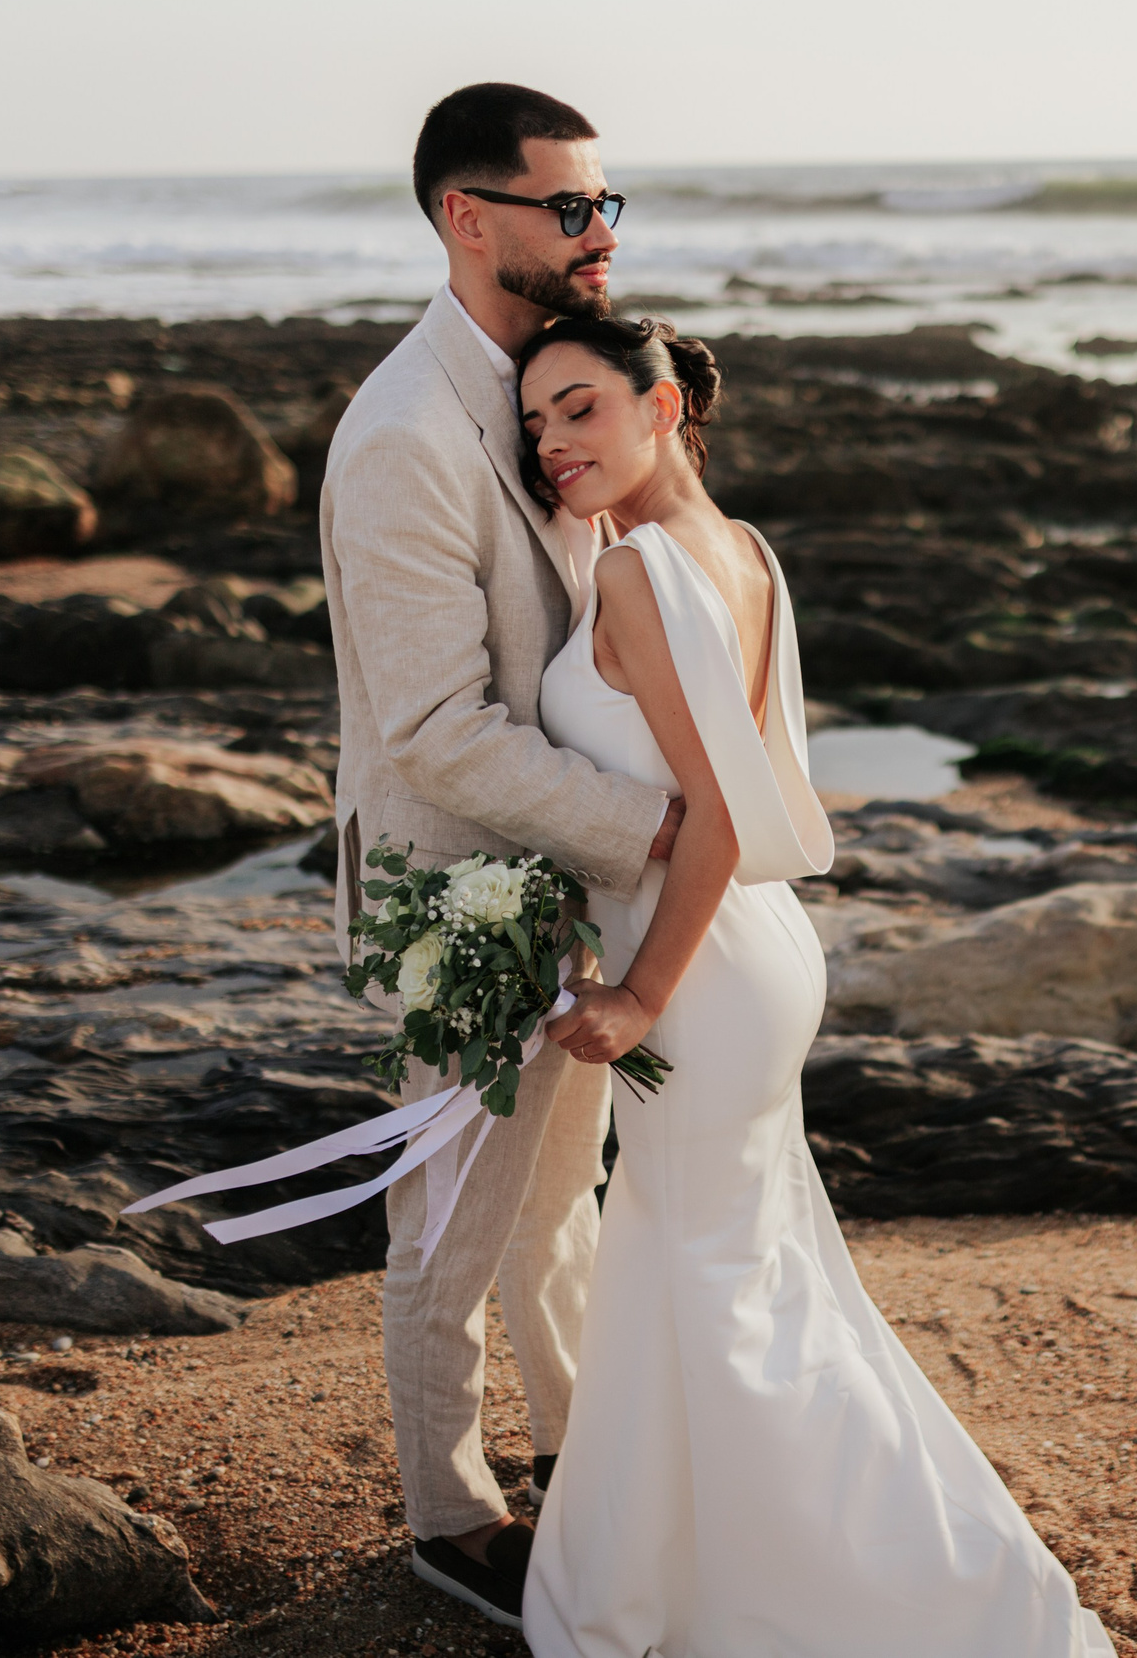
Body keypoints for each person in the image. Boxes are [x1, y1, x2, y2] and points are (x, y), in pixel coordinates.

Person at [517, 314, 1114, 1656]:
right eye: (537, 425)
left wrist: (636, 996)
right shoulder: (748, 554)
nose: (554, 444)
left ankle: (905, 1597)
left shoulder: (640, 574)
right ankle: (670, 1577)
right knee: (731, 1274)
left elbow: (719, 812)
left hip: (703, 962)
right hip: (761, 945)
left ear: (662, 405)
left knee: (725, 1289)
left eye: (581, 409)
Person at [318, 83, 683, 1627]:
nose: (601, 235)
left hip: (567, 877)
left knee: (558, 1204)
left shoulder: (548, 384)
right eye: (570, 207)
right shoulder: (407, 432)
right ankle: (446, 1517)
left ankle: (581, 1455)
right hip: (455, 881)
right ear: (470, 219)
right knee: (453, 1219)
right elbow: (434, 730)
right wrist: (661, 833)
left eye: (608, 206)